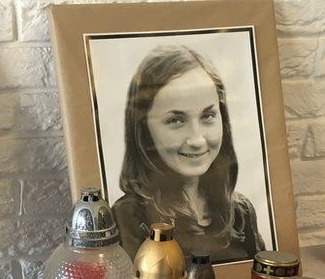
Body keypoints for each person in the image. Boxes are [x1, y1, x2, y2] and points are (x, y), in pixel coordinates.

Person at [111, 45, 266, 262]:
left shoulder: (240, 211)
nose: (197, 140)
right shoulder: (126, 218)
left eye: (208, 116)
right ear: (144, 130)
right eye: (176, 120)